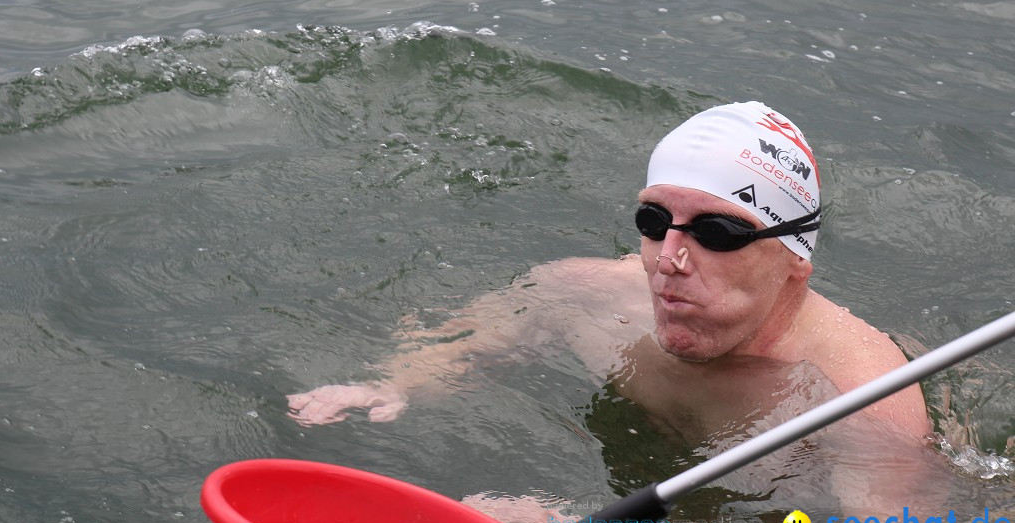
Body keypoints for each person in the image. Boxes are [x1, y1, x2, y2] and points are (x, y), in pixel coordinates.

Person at [288, 100, 930, 442]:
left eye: (717, 232)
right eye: (654, 222)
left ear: (797, 259)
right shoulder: (585, 293)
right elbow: (478, 334)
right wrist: (398, 383)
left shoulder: (864, 405)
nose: (670, 260)